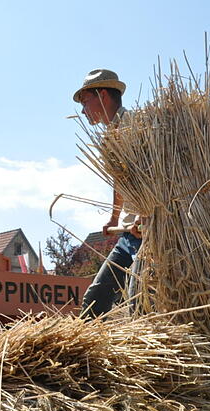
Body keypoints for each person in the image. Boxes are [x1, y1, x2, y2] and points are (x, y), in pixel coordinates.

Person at [73, 69, 143, 318]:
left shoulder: (136, 126)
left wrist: (146, 216)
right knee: (95, 298)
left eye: (85, 102)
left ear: (102, 94)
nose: (83, 111)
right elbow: (120, 181)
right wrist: (115, 218)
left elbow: (158, 176)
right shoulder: (110, 137)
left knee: (141, 301)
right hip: (128, 232)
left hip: (151, 233)